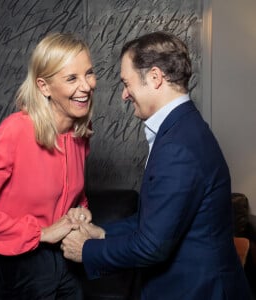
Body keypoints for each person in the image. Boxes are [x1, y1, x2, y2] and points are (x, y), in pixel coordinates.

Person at [61, 31, 251, 299]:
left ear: (154, 77)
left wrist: (86, 250)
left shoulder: (178, 145)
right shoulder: (184, 129)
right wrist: (102, 232)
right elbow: (155, 220)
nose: (125, 95)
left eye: (127, 83)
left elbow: (152, 246)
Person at [0, 32, 97, 300]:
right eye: (72, 78)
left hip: (65, 259)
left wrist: (81, 211)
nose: (87, 86)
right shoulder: (16, 130)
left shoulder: (81, 131)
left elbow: (72, 194)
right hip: (18, 265)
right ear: (44, 87)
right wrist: (41, 233)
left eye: (89, 73)